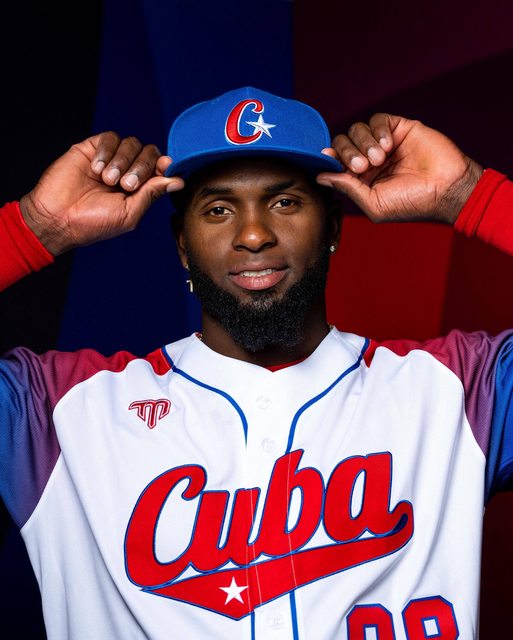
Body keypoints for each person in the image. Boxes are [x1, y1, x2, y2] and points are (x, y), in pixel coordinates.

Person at [0, 86, 512, 639]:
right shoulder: (56, 412)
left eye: (284, 202)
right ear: (182, 245)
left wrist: (470, 194)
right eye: (218, 209)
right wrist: (34, 227)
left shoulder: (461, 390)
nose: (253, 235)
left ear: (333, 226)